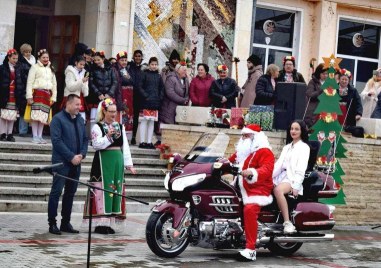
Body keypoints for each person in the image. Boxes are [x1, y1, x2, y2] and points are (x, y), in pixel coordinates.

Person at [85, 98, 136, 234]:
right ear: (104, 111)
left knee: (115, 188)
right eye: (111, 112)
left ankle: (109, 222)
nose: (114, 114)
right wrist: (108, 137)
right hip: (103, 162)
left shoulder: (120, 126)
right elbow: (96, 145)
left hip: (117, 161)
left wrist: (128, 164)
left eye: (115, 111)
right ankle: (100, 223)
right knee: (103, 189)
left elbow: (124, 145)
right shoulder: (98, 126)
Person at [228, 124, 274, 261]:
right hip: (242, 187)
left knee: (249, 209)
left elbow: (267, 169)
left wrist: (252, 173)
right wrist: (215, 162)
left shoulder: (265, 151)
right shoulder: (244, 151)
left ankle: (251, 249)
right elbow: (229, 160)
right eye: (243, 136)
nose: (243, 138)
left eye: (246, 136)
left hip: (258, 188)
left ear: (255, 137)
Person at [48, 94, 88, 235]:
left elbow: (85, 139)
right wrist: (71, 157)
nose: (79, 107)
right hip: (61, 162)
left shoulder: (80, 120)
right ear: (69, 104)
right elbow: (57, 141)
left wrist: (81, 155)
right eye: (77, 104)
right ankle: (52, 223)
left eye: (80, 104)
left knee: (70, 193)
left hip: (76, 162)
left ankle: (66, 222)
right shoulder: (57, 120)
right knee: (56, 192)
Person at [272, 120, 310, 233]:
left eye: (296, 129)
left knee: (278, 190)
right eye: (292, 129)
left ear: (302, 131)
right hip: (281, 176)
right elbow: (279, 165)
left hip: (292, 178)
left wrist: (296, 186)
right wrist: (267, 176)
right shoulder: (287, 147)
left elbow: (301, 168)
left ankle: (288, 223)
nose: (293, 131)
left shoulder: (304, 147)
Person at [26, 49, 57, 144]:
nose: (45, 59)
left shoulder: (50, 68)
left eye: (47, 57)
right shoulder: (34, 67)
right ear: (39, 58)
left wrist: (54, 97)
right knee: (35, 116)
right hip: (37, 94)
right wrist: (29, 96)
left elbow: (54, 84)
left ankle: (40, 136)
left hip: (47, 94)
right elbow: (30, 82)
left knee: (43, 117)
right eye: (43, 57)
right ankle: (35, 136)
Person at [138, 57, 165, 149]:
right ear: (149, 65)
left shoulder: (159, 76)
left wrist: (159, 97)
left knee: (152, 122)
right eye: (152, 64)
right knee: (144, 121)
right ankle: (142, 141)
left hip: (155, 102)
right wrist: (146, 96)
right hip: (145, 102)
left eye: (155, 64)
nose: (154, 66)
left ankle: (149, 142)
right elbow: (140, 87)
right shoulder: (144, 74)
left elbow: (162, 88)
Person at [88, 51, 118, 130]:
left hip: (108, 97)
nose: (96, 62)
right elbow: (91, 83)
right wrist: (98, 93)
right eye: (95, 60)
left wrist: (109, 93)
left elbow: (114, 82)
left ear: (103, 59)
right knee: (94, 119)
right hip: (96, 97)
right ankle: (94, 138)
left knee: (107, 118)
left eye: (98, 60)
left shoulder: (110, 68)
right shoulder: (92, 69)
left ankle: (106, 137)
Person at [0, 49, 25, 142]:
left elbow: (22, 81)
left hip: (15, 94)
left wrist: (21, 91)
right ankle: (2, 133)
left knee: (12, 115)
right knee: (3, 114)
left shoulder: (19, 68)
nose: (15, 60)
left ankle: (10, 133)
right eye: (13, 58)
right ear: (8, 57)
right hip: (5, 94)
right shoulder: (2, 68)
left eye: (16, 58)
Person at [113, 51, 134, 138]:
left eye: (125, 60)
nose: (124, 62)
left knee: (127, 115)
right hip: (120, 95)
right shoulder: (115, 70)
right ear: (118, 61)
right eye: (122, 60)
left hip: (128, 97)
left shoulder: (127, 70)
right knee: (120, 115)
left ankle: (125, 136)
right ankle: (118, 136)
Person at [63, 55, 89, 122]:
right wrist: (81, 81)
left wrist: (85, 84)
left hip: (80, 97)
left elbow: (84, 90)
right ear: (76, 63)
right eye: (80, 64)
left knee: (81, 119)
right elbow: (70, 86)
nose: (82, 67)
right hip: (71, 96)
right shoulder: (70, 72)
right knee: (70, 118)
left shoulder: (83, 72)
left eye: (83, 65)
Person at [17, 43, 36, 137]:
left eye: (29, 52)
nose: (28, 53)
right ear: (22, 52)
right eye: (26, 52)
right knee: (23, 110)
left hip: (32, 88)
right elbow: (21, 76)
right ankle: (22, 130)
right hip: (24, 88)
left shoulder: (34, 61)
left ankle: (29, 129)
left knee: (30, 109)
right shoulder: (20, 62)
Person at [304, 63, 328, 128]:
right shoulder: (313, 82)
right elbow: (310, 95)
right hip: (314, 111)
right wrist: (321, 90)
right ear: (319, 73)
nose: (325, 76)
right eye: (323, 74)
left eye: (326, 74)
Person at [128, 50, 144, 145]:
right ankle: (126, 135)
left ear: (141, 57)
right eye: (136, 56)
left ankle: (133, 136)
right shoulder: (130, 67)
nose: (138, 58)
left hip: (139, 96)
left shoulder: (143, 68)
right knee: (128, 116)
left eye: (139, 56)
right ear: (133, 57)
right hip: (130, 94)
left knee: (136, 117)